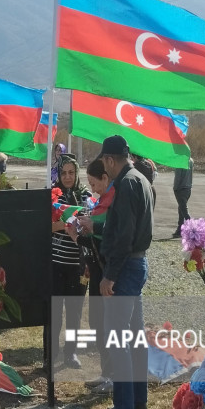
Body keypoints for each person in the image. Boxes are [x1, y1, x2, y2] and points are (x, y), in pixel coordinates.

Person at [92, 135, 154, 409]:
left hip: (126, 266)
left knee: (119, 340)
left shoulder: (126, 184)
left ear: (110, 160)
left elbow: (124, 236)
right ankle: (136, 400)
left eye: (105, 161)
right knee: (134, 337)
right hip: (137, 263)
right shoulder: (140, 179)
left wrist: (110, 276)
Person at [79, 157, 116, 395]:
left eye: (94, 184)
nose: (93, 189)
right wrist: (78, 233)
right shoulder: (102, 201)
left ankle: (114, 378)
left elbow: (113, 233)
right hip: (96, 268)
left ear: (105, 177)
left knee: (109, 324)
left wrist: (93, 226)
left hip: (109, 270)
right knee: (96, 321)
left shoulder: (116, 200)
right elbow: (95, 237)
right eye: (90, 185)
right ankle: (106, 372)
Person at [51, 154, 90, 370]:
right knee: (55, 310)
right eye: (63, 173)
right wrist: (65, 223)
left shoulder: (86, 195)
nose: (67, 177)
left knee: (74, 312)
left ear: (76, 174)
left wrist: (82, 224)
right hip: (56, 262)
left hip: (78, 263)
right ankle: (52, 351)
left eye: (71, 173)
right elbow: (46, 226)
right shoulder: (53, 195)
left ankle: (71, 352)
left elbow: (91, 225)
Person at [172, 157, 193, 238]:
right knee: (181, 209)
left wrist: (175, 188)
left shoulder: (179, 161)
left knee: (184, 211)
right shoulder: (190, 160)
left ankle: (193, 229)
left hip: (181, 188)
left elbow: (178, 177)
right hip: (188, 188)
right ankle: (180, 229)